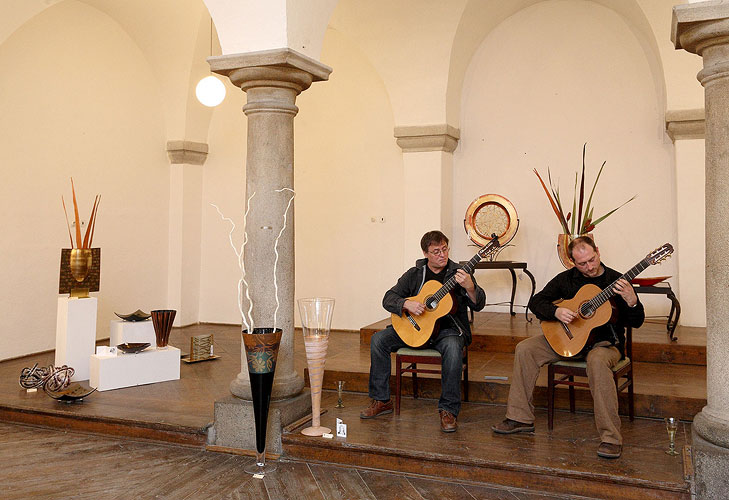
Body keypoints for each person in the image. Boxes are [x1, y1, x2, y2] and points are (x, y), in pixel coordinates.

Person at [491, 236, 644, 459]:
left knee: (597, 361)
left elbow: (637, 321)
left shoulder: (616, 281)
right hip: (569, 339)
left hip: (604, 344)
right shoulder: (567, 279)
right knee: (525, 349)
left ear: (598, 252)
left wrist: (632, 301)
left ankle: (611, 438)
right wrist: (557, 312)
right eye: (582, 264)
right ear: (572, 262)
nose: (589, 267)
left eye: (592, 259)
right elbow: (537, 301)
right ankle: (520, 418)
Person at [360, 230, 486, 432]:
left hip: (447, 331)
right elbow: (388, 298)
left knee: (454, 348)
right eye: (436, 251)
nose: (442, 255)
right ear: (425, 253)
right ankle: (381, 400)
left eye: (444, 249)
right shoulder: (415, 274)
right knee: (378, 340)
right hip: (415, 328)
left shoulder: (459, 274)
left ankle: (448, 410)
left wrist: (470, 287)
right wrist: (406, 303)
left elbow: (479, 304)